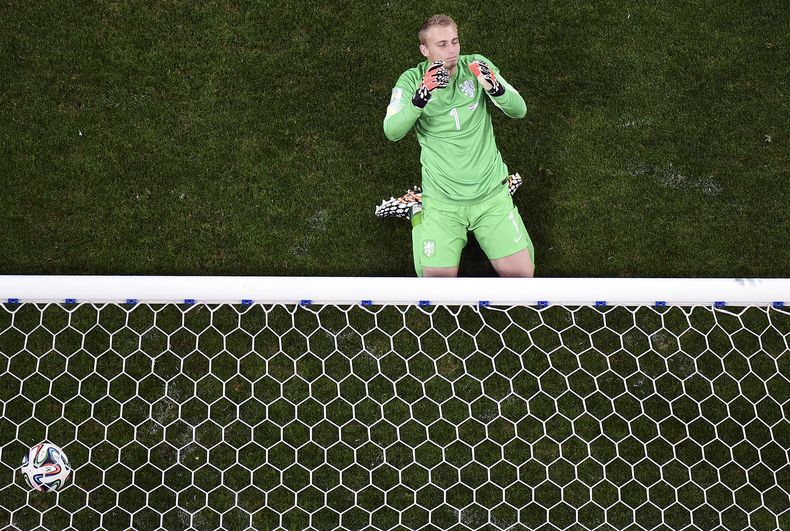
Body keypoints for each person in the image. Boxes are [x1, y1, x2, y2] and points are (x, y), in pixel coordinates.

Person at [381, 14, 535, 278]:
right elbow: (392, 131)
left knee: (522, 279)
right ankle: (416, 210)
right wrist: (420, 97)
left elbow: (519, 110)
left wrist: (496, 88)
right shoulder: (411, 80)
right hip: (443, 201)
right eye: (442, 45)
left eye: (455, 42)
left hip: (490, 195)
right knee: (435, 287)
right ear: (425, 50)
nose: (451, 50)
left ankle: (504, 190)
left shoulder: (476, 66)